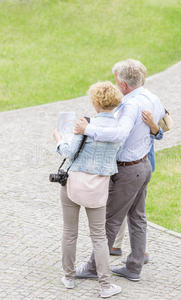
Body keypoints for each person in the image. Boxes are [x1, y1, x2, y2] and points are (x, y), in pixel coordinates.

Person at [74, 59, 165, 282]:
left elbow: (119, 134)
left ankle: (94, 267)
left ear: (123, 85)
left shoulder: (131, 104)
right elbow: (159, 126)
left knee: (111, 220)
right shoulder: (153, 98)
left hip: (128, 170)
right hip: (144, 165)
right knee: (138, 218)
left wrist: (89, 129)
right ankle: (133, 267)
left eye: (116, 81)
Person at [53, 81, 123, 298]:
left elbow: (70, 151)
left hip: (74, 183)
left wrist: (58, 140)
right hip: (98, 187)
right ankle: (104, 285)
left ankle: (69, 277)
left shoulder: (85, 123)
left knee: (70, 232)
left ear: (95, 102)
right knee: (99, 237)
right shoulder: (119, 128)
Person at [111, 110, 163, 261]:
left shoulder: (142, 106)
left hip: (136, 165)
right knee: (126, 207)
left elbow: (161, 132)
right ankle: (117, 245)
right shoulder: (131, 105)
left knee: (132, 211)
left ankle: (140, 252)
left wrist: (153, 124)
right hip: (138, 165)